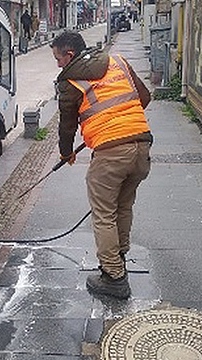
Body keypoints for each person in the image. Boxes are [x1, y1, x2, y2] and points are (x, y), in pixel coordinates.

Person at [50, 31, 152, 299]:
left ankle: (114, 277)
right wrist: (119, 118)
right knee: (123, 206)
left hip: (111, 153)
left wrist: (65, 154)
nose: (58, 64)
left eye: (58, 59)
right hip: (141, 146)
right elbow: (145, 97)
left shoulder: (70, 80)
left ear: (69, 55)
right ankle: (118, 259)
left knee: (104, 213)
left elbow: (67, 126)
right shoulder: (118, 60)